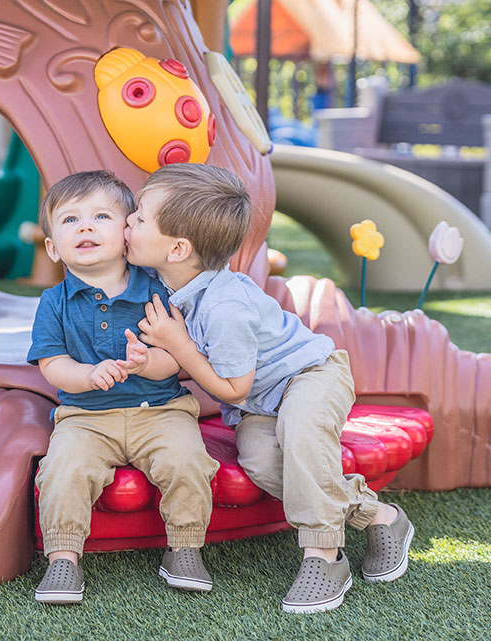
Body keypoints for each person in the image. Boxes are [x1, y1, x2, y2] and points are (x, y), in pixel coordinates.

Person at [124, 163, 414, 614]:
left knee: (301, 433)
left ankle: (324, 555)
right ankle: (379, 516)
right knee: (261, 461)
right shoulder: (163, 283)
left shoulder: (224, 306)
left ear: (178, 248)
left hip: (309, 375)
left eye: (138, 217)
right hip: (262, 404)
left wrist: (178, 346)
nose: (127, 222)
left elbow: (233, 389)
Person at [27, 170, 220, 605]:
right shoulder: (53, 302)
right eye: (71, 220)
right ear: (54, 247)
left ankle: (185, 549)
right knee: (64, 469)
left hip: (161, 410)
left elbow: (179, 358)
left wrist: (149, 362)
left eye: (100, 216)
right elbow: (52, 364)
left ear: (127, 234)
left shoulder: (157, 291)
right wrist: (87, 375)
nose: (87, 227)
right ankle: (63, 559)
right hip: (86, 418)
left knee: (187, 459)